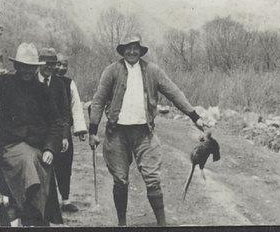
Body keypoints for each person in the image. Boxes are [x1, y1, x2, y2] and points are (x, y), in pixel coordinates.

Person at [88, 33, 209, 227]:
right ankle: (122, 224)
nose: (132, 51)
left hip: (144, 132)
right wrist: (93, 130)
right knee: (120, 179)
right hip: (116, 132)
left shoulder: (152, 70)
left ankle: (162, 224)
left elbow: (174, 93)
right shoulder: (112, 71)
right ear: (123, 50)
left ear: (141, 51)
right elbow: (99, 98)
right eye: (128, 48)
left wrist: (195, 117)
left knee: (152, 177)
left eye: (136, 48)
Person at [0, 43, 64, 226]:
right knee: (27, 160)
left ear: (35, 68)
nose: (26, 71)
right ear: (16, 66)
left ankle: (30, 212)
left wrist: (50, 149)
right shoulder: (4, 84)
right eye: (23, 66)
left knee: (36, 160)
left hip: (38, 147)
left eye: (30, 67)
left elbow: (56, 122)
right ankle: (26, 209)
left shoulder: (42, 91)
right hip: (11, 146)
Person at [53, 53, 88, 213]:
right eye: (58, 64)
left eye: (64, 64)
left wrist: (79, 129)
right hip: (45, 131)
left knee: (64, 166)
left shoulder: (69, 83)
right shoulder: (42, 81)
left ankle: (65, 200)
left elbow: (76, 107)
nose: (61, 68)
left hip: (63, 131)